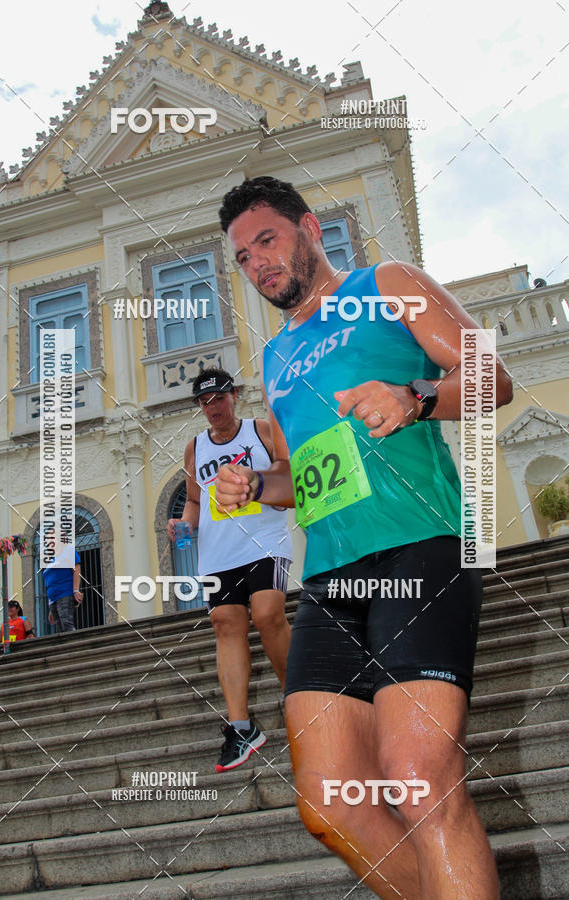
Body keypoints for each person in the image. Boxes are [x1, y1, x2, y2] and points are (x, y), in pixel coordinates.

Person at [215, 176, 513, 899]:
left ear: (309, 229)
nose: (258, 264)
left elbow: (491, 377)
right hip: (331, 579)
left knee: (419, 778)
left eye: (267, 240)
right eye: (243, 258)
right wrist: (256, 487)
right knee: (328, 805)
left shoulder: (388, 283)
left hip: (420, 545)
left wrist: (414, 398)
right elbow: (297, 474)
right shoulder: (276, 359)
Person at [167, 367, 293, 773]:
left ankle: (301, 702)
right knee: (225, 624)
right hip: (219, 554)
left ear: (234, 396)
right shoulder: (194, 448)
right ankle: (242, 727)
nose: (213, 407)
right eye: (205, 402)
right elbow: (192, 501)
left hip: (265, 540)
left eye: (219, 398)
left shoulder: (259, 431)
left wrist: (266, 488)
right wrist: (183, 528)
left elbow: (289, 474)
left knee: (269, 613)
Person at [42, 543, 83, 633]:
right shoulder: (52, 558)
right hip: (53, 599)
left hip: (64, 592)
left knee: (66, 623)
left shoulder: (68, 550)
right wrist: (52, 603)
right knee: (60, 628)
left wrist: (76, 590)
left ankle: (74, 644)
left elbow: (76, 568)